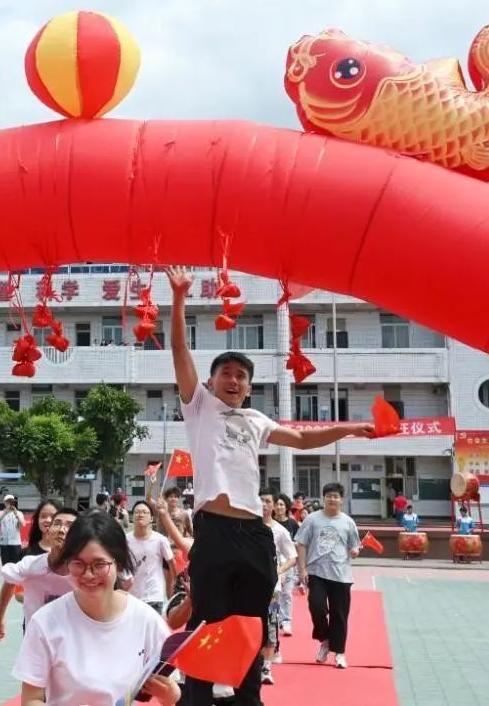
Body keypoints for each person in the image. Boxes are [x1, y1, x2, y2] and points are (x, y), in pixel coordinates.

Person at [167, 266, 374, 704]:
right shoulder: (198, 406)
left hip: (254, 535)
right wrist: (180, 297)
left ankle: (247, 696)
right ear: (211, 381)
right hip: (215, 531)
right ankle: (198, 695)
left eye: (242, 376)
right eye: (226, 372)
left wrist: (350, 428)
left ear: (248, 388)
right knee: (207, 618)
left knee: (251, 621)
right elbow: (180, 349)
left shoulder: (256, 420)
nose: (234, 380)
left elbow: (300, 438)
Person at [12, 511, 180, 705]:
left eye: (99, 565)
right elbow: (31, 699)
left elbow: (169, 690)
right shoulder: (45, 621)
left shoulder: (146, 621)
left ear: (119, 563)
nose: (88, 575)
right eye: (78, 564)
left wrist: (170, 696)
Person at [295, 482, 361, 670]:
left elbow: (353, 545)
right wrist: (302, 570)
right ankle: (324, 640)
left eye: (336, 496)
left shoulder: (348, 522)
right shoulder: (313, 520)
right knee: (317, 607)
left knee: (339, 615)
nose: (332, 499)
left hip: (341, 575)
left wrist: (355, 550)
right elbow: (301, 543)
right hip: (316, 572)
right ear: (323, 498)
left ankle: (339, 652)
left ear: (342, 499)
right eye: (329, 496)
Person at [0, 507, 79, 641]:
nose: (62, 530)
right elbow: (9, 582)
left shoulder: (85, 572)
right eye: (57, 524)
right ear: (48, 531)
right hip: (36, 643)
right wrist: (0, 619)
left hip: (71, 643)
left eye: (69, 526)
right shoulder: (30, 564)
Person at [259, 490, 298, 683]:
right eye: (261, 501)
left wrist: (278, 570)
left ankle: (266, 668)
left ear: (274, 506)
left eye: (267, 501)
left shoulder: (280, 531)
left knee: (271, 625)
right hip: (247, 588)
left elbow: (292, 557)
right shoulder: (247, 528)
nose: (264, 505)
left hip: (272, 591)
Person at [124, 500, 175, 613]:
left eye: (144, 512)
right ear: (132, 517)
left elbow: (171, 563)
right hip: (131, 597)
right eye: (137, 512)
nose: (140, 514)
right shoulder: (125, 540)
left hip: (154, 597)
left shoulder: (160, 540)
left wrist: (172, 588)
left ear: (151, 518)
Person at [273, 493, 299, 636]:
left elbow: (298, 543)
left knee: (287, 593)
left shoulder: (291, 524)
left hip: (288, 564)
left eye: (282, 504)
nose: (279, 507)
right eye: (277, 504)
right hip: (273, 566)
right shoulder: (268, 523)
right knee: (274, 596)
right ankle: (276, 622)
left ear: (287, 507)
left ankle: (287, 621)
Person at [0, 495, 26, 566]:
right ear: (5, 503)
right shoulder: (0, 513)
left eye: (11, 502)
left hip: (15, 542)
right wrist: (5, 513)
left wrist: (16, 514)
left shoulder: (19, 513)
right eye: (8, 502)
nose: (10, 504)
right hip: (4, 543)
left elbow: (23, 524)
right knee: (5, 564)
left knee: (16, 564)